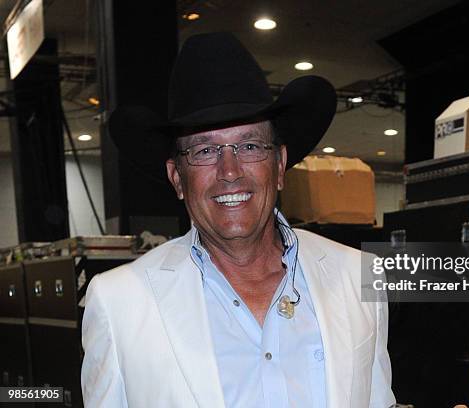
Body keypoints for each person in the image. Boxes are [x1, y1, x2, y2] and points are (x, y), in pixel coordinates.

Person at [81, 32, 395, 408]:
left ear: (278, 165)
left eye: (248, 145)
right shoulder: (119, 303)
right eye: (205, 149)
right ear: (177, 177)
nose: (229, 171)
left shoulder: (358, 275)